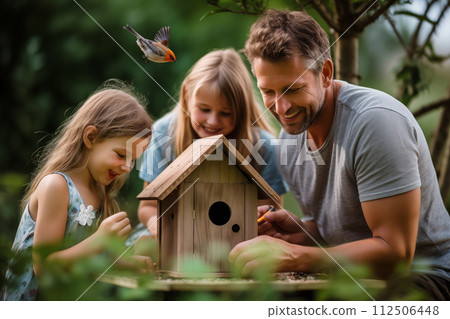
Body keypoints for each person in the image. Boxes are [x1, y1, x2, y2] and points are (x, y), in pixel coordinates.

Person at [229, 9, 450, 300]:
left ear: (326, 74)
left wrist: (296, 255)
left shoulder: (376, 123)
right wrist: (304, 232)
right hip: (356, 278)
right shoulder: (290, 136)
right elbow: (348, 233)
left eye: (292, 89)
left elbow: (395, 256)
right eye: (268, 91)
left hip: (423, 280)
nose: (280, 108)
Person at [1, 80, 154, 301]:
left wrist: (122, 262)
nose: (128, 167)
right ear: (90, 137)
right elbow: (43, 268)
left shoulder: (102, 192)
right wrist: (101, 239)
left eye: (133, 160)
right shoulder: (56, 187)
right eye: (121, 155)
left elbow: (86, 255)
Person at [132, 48, 287, 241]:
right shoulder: (164, 135)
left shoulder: (264, 147)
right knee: (143, 245)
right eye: (204, 109)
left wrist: (259, 219)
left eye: (225, 113)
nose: (213, 121)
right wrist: (159, 227)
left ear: (242, 110)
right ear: (187, 95)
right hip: (175, 237)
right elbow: (148, 207)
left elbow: (271, 207)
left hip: (235, 238)